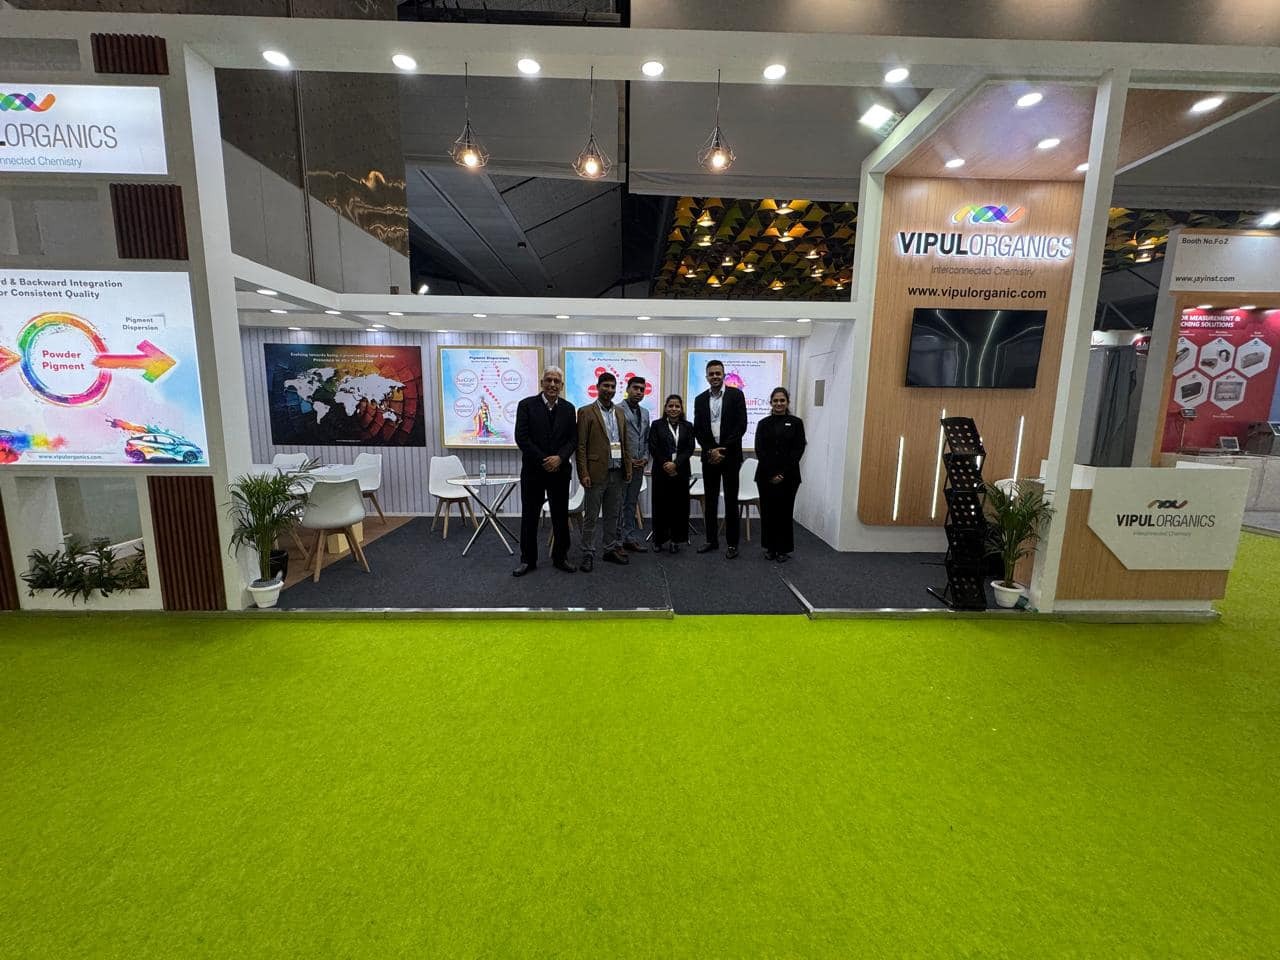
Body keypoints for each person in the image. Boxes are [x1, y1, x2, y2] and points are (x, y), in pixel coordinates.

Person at [512, 365, 577, 577]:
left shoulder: (569, 408)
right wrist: (544, 460)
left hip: (560, 471)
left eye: (556, 381)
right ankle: (527, 560)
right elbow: (522, 438)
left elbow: (573, 439)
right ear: (541, 383)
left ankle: (560, 557)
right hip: (534, 472)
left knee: (560, 516)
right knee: (529, 517)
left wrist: (559, 458)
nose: (552, 384)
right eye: (548, 380)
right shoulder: (526, 405)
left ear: (562, 385)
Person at [575, 372, 632, 571]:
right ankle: (587, 552)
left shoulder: (620, 412)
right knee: (591, 516)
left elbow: (625, 443)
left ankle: (609, 549)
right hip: (595, 473)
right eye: (605, 386)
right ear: (598, 387)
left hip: (617, 472)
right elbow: (581, 446)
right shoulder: (586, 412)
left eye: (612, 386)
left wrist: (628, 468)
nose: (609, 390)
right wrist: (583, 473)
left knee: (612, 515)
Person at [692, 359, 748, 559]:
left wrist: (722, 450)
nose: (715, 376)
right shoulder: (699, 399)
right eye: (711, 374)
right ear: (707, 377)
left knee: (731, 501)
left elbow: (741, 426)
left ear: (723, 375)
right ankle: (711, 541)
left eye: (718, 373)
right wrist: (710, 450)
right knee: (711, 500)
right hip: (709, 457)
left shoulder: (736, 395)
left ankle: (732, 544)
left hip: (730, 456)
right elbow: (698, 429)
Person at [754, 387, 807, 562]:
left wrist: (782, 474)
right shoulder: (763, 423)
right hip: (765, 476)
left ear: (787, 402)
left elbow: (798, 449)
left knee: (784, 513)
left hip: (789, 477)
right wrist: (772, 474)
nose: (779, 403)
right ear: (771, 403)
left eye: (782, 400)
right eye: (775, 400)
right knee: (768, 513)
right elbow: (759, 450)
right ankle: (770, 548)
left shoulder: (796, 423)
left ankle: (783, 549)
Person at [648, 394, 695, 553]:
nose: (674, 409)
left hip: (681, 471)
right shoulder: (656, 425)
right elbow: (653, 447)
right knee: (660, 505)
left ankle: (676, 540)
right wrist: (666, 463)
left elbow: (689, 448)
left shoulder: (688, 426)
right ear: (665, 408)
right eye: (670, 406)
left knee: (679, 507)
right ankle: (658, 540)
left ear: (681, 409)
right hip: (661, 471)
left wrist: (675, 463)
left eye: (677, 406)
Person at [616, 376, 651, 553]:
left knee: (630, 503)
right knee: (617, 504)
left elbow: (646, 439)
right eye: (635, 388)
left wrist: (645, 458)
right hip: (622, 466)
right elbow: (614, 439)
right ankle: (616, 541)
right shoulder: (617, 410)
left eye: (642, 389)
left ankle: (628, 538)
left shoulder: (645, 412)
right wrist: (626, 459)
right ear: (627, 389)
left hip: (639, 466)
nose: (638, 392)